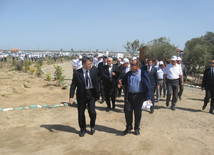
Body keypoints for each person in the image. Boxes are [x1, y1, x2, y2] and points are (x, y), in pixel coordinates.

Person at [118, 59, 151, 135]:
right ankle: (129, 127)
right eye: (131, 64)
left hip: (139, 96)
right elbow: (122, 80)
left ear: (138, 66)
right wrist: (119, 82)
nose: (131, 66)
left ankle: (137, 128)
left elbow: (148, 86)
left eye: (132, 64)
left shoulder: (143, 73)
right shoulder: (129, 73)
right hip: (129, 96)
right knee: (127, 111)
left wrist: (149, 98)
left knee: (137, 113)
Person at [69, 57, 100, 137]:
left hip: (91, 94)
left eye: (91, 63)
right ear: (83, 64)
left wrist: (98, 94)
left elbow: (97, 82)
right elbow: (73, 85)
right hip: (81, 95)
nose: (91, 65)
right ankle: (82, 129)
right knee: (81, 113)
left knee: (92, 112)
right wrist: (71, 96)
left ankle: (92, 126)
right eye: (89, 64)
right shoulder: (77, 73)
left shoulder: (94, 70)